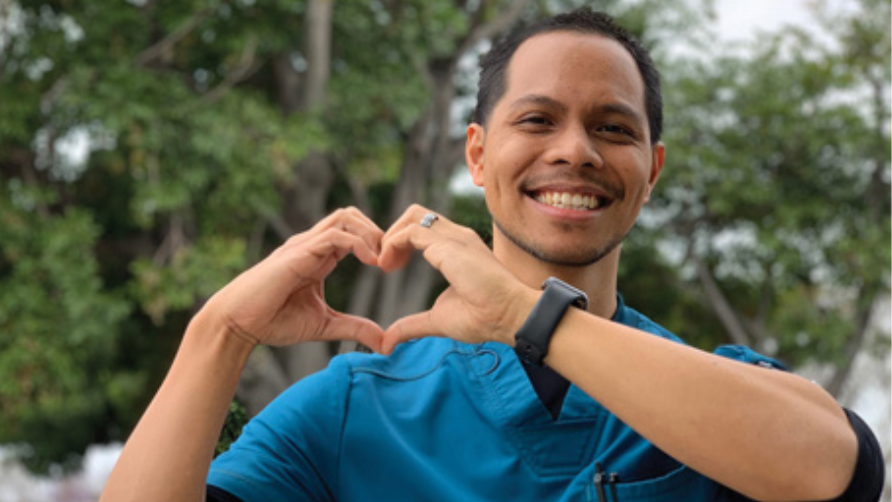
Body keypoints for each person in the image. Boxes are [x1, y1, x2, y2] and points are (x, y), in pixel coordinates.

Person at [100, 8, 884, 502]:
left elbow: (835, 469)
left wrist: (524, 314)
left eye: (614, 128)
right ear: (476, 155)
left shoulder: (710, 402)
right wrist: (219, 335)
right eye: (537, 120)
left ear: (652, 173)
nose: (575, 151)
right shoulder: (354, 408)